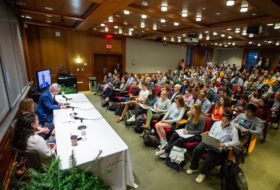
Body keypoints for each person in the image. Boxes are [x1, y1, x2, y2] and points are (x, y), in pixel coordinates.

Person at [186, 109, 239, 183]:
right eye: (223, 118)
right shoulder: (217, 123)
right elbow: (210, 133)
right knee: (197, 149)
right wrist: (210, 138)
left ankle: (203, 174)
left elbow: (236, 142)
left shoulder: (233, 129)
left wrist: (225, 144)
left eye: (226, 120)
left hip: (219, 145)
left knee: (210, 157)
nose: (223, 121)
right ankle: (193, 167)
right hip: (210, 141)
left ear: (229, 120)